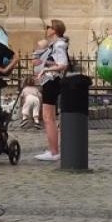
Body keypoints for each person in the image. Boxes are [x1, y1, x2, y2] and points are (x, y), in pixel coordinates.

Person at [36, 19, 71, 161]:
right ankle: (53, 149)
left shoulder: (59, 45)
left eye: (48, 27)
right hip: (50, 81)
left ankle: (54, 152)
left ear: (54, 30)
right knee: (49, 117)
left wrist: (46, 69)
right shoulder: (55, 45)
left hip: (52, 81)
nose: (47, 29)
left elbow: (63, 64)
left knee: (48, 117)